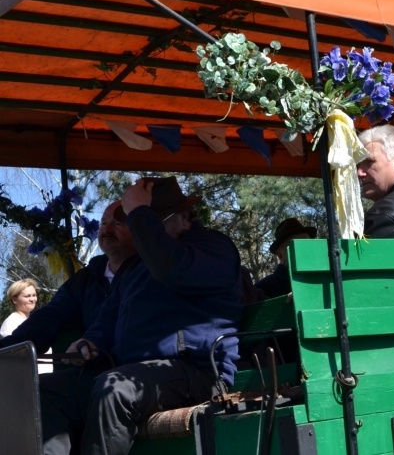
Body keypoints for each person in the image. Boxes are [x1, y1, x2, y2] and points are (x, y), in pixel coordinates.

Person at [39, 176, 242, 455]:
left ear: (184, 219)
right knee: (44, 391)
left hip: (197, 371)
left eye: (151, 221)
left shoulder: (212, 248)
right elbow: (106, 320)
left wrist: (139, 214)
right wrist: (90, 342)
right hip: (132, 372)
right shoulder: (136, 267)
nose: (144, 231)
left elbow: (170, 268)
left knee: (115, 389)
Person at [0, 201, 137, 354]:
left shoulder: (149, 273)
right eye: (103, 223)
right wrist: (10, 348)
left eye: (118, 223)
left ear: (139, 227)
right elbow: (50, 316)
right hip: (94, 365)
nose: (107, 229)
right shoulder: (86, 279)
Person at [255, 217, 317, 298]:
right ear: (280, 255)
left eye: (308, 244)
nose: (306, 250)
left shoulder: (326, 279)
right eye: (297, 246)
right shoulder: (263, 290)